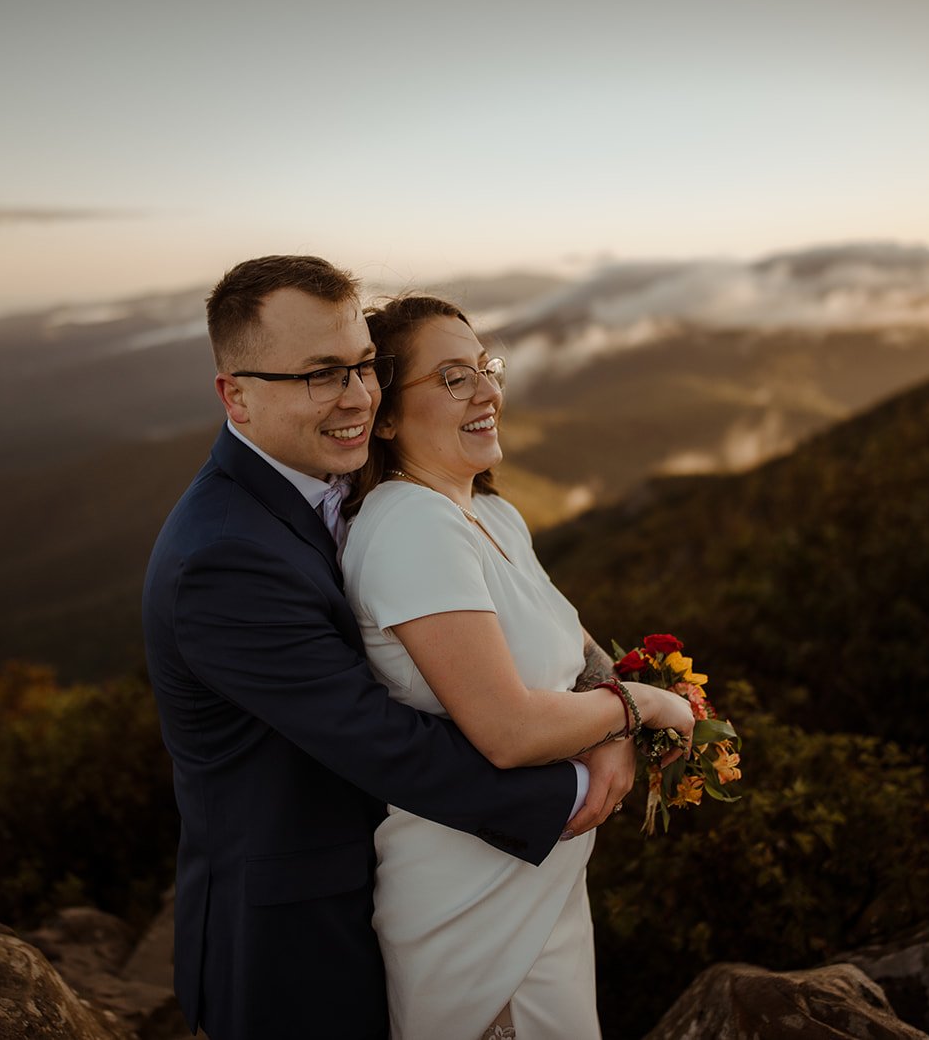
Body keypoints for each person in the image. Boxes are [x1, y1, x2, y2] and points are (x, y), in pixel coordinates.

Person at [142, 256, 682, 1040]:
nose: (358, 395)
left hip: (418, 880)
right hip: (294, 931)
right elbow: (381, 739)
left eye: (363, 366)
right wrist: (596, 757)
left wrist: (609, 713)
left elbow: (538, 629)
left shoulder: (359, 492)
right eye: (322, 374)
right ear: (238, 395)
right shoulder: (223, 556)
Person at [341, 295, 695, 1039]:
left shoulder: (492, 514)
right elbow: (506, 729)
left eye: (484, 368)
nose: (486, 392)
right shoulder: (410, 527)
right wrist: (641, 705)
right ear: (386, 417)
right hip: (474, 896)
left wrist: (613, 717)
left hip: (543, 877)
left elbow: (577, 644)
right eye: (450, 378)